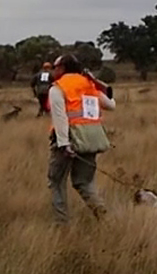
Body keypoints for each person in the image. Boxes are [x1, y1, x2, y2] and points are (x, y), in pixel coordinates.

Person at [46, 54, 115, 223]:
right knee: (84, 182)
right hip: (91, 140)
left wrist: (64, 144)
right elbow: (112, 105)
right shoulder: (89, 84)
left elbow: (60, 118)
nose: (53, 71)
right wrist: (96, 81)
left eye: (55, 67)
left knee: (56, 181)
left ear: (62, 68)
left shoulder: (58, 88)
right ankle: (104, 217)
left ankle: (61, 224)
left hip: (69, 140)